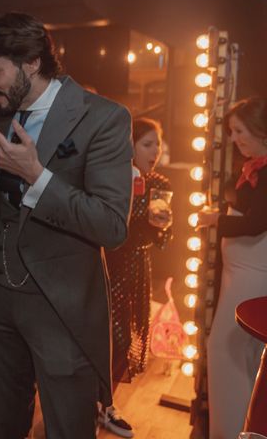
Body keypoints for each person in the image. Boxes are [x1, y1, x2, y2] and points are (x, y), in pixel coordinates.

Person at [0, 12, 133, 439]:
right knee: (5, 422)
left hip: (61, 301)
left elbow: (111, 225)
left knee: (68, 425)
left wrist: (38, 177)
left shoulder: (103, 118)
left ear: (31, 62)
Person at [198, 97, 267, 439]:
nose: (235, 138)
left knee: (229, 350)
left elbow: (257, 223)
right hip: (238, 272)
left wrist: (217, 219)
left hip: (252, 274)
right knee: (233, 353)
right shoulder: (254, 167)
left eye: (239, 130)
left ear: (259, 129)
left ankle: (233, 430)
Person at [103, 117, 173, 437]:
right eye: (147, 144)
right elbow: (111, 230)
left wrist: (163, 227)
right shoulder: (114, 180)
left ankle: (105, 404)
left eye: (157, 144)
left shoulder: (161, 184)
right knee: (111, 336)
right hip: (112, 265)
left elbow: (161, 239)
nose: (155, 151)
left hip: (139, 267)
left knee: (131, 333)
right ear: (129, 146)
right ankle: (101, 404)